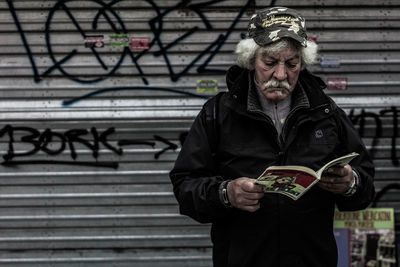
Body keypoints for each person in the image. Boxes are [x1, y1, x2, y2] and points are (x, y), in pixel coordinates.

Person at [170, 6, 375, 267]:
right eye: (269, 62)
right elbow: (185, 185)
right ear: (252, 59)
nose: (281, 75)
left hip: (312, 259)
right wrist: (226, 193)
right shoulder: (218, 113)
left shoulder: (326, 112)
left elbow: (365, 184)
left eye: (292, 64)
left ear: (303, 62)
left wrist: (351, 183)